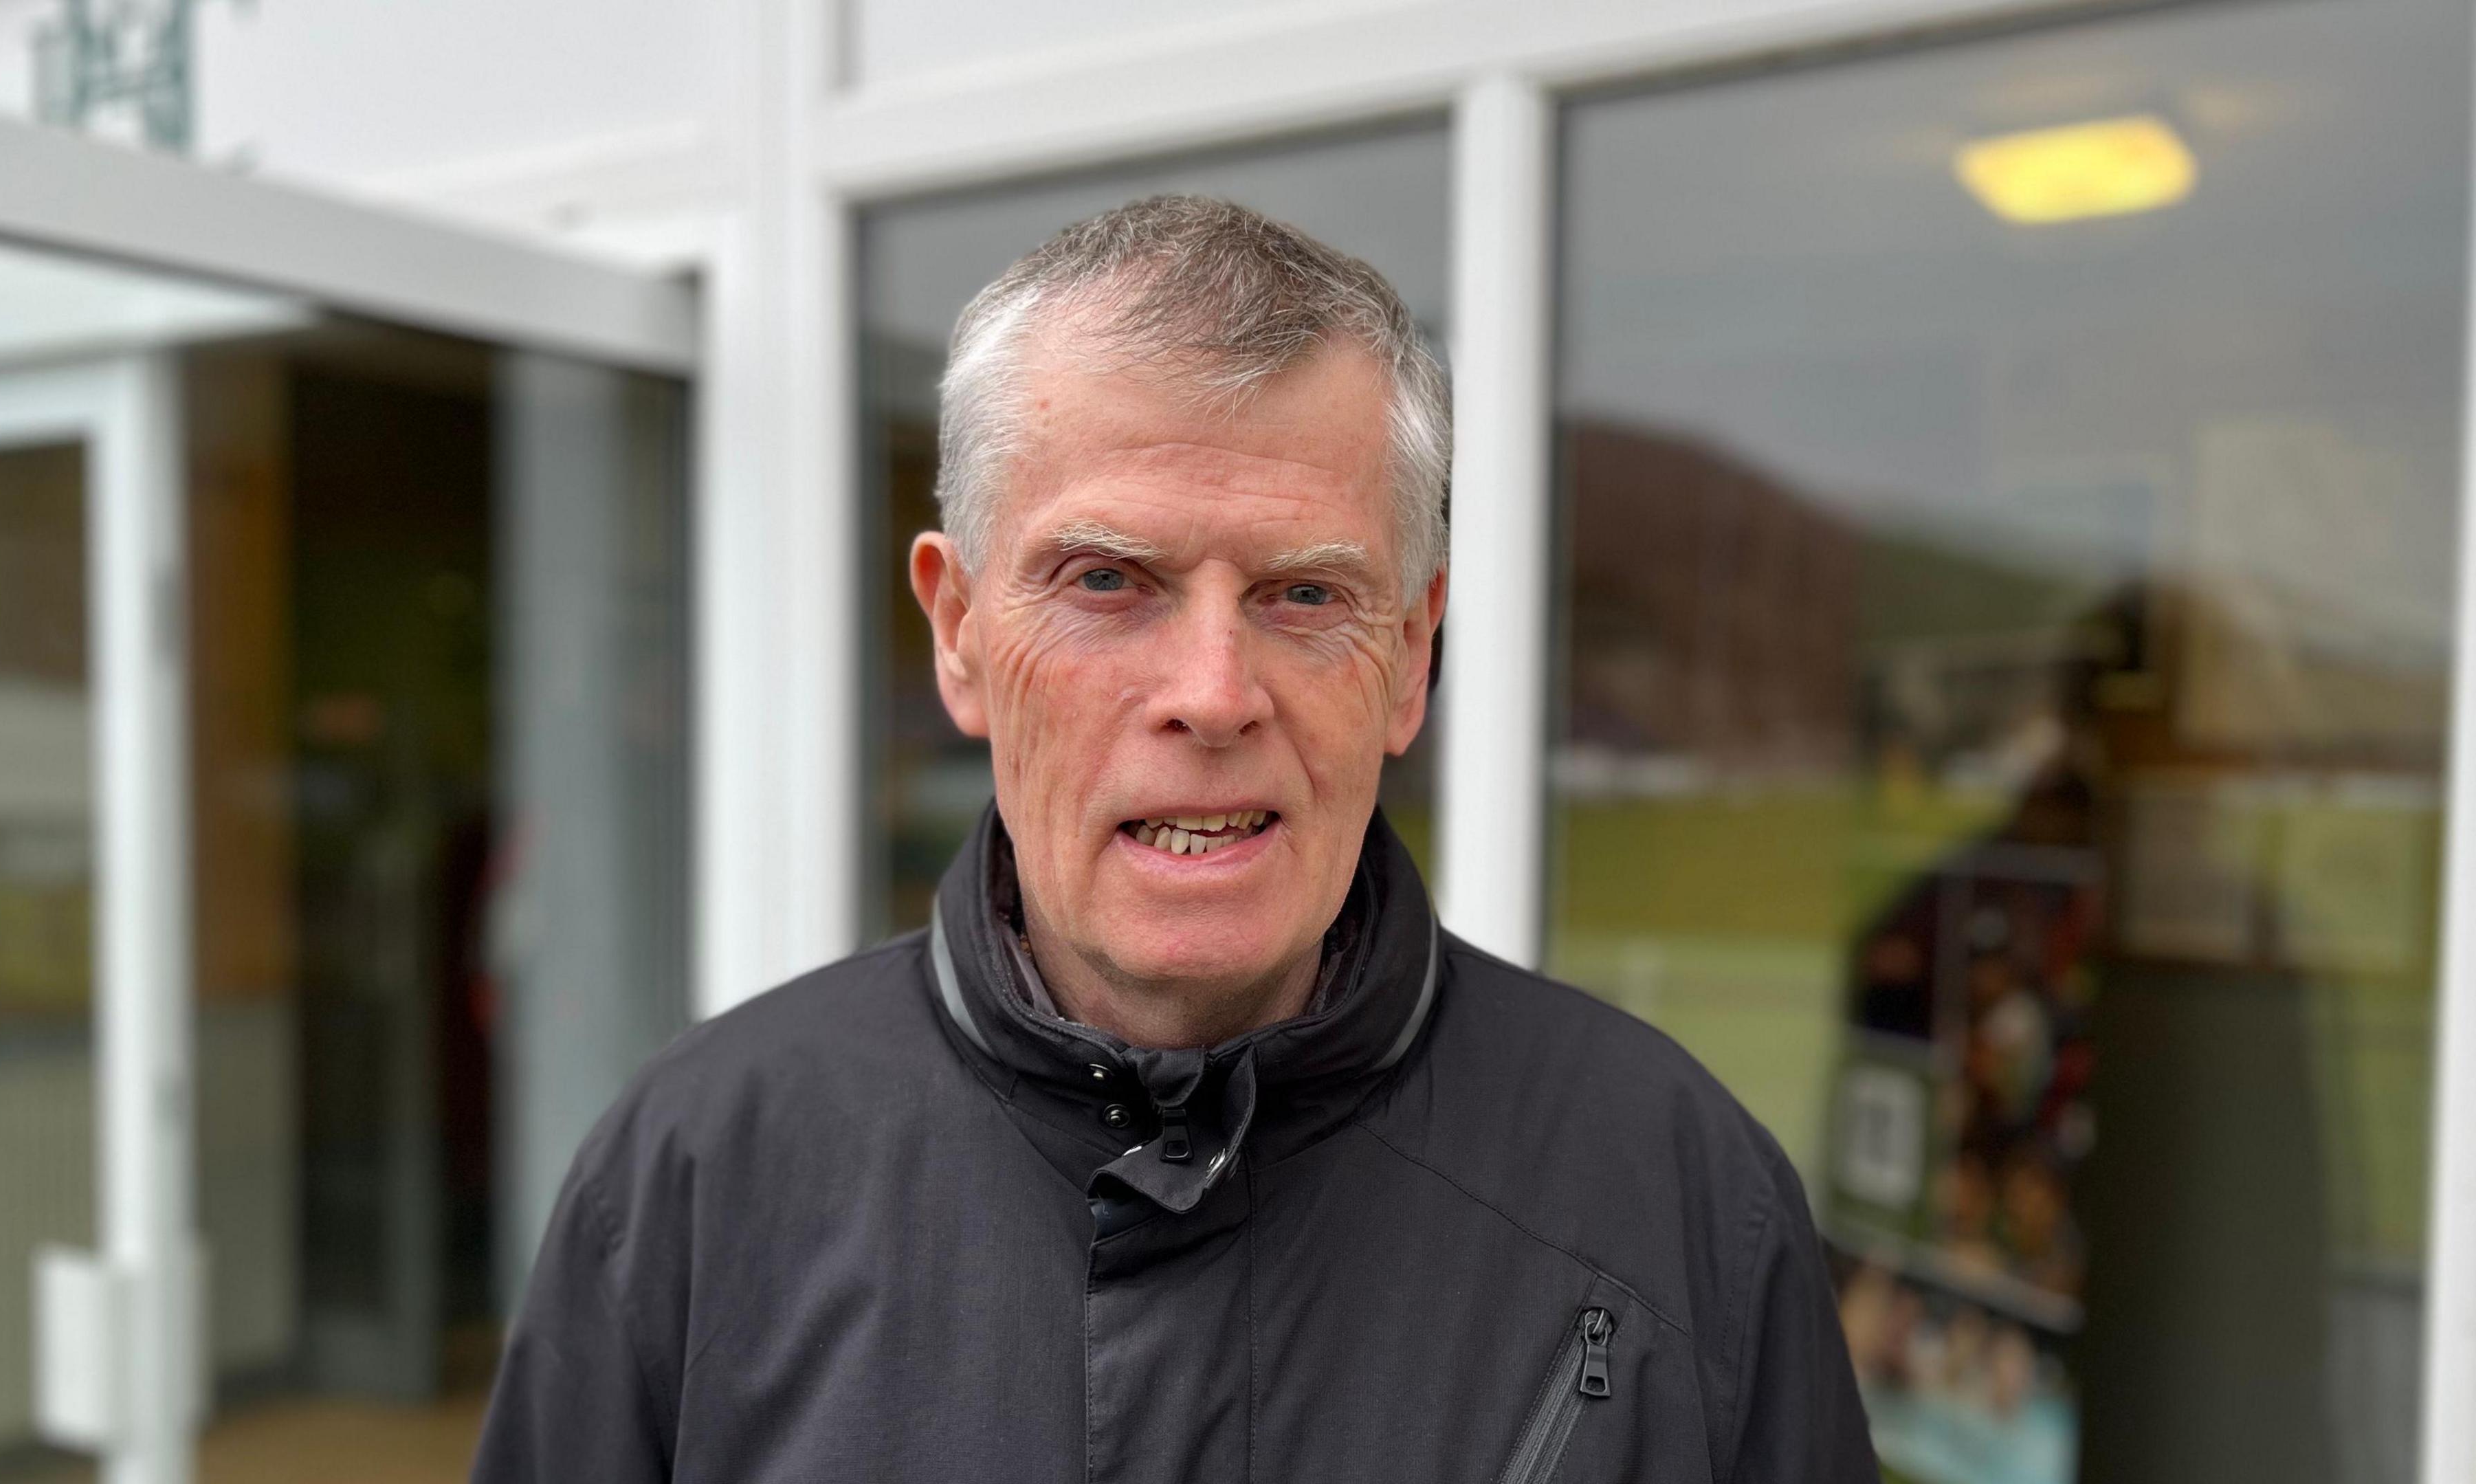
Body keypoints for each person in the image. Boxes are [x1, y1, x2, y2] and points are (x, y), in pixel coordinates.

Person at [470, 195, 1873, 1483]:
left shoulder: (1679, 1196)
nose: (1212, 694)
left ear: (1410, 655)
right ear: (958, 630)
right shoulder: (694, 1183)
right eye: (1107, 580)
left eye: (1305, 596)